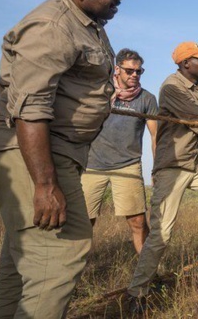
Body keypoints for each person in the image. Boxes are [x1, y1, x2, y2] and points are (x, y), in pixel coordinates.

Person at [0, 0, 137, 317]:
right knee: (60, 256)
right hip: (32, 150)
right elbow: (30, 110)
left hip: (53, 151)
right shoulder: (52, 27)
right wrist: (46, 185)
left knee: (26, 262)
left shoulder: (87, 26)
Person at [127, 42, 198, 310]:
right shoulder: (171, 87)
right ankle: (137, 292)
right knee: (161, 233)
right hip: (173, 163)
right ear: (185, 63)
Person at [81, 48, 157, 254]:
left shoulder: (146, 99)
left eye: (139, 72)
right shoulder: (101, 92)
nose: (134, 75)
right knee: (83, 222)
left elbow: (155, 135)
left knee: (138, 222)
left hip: (128, 164)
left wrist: (156, 168)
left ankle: (148, 273)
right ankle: (69, 278)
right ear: (117, 69)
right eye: (129, 71)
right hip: (91, 165)